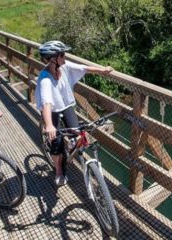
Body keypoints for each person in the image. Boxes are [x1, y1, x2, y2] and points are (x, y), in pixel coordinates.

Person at [36, 40, 113, 186]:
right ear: (53, 59)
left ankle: (70, 147)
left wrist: (102, 70)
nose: (65, 57)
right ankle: (59, 170)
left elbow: (83, 68)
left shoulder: (64, 67)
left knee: (77, 134)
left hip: (66, 106)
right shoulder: (45, 79)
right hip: (52, 111)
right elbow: (46, 102)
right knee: (56, 142)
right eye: (62, 55)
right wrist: (49, 125)